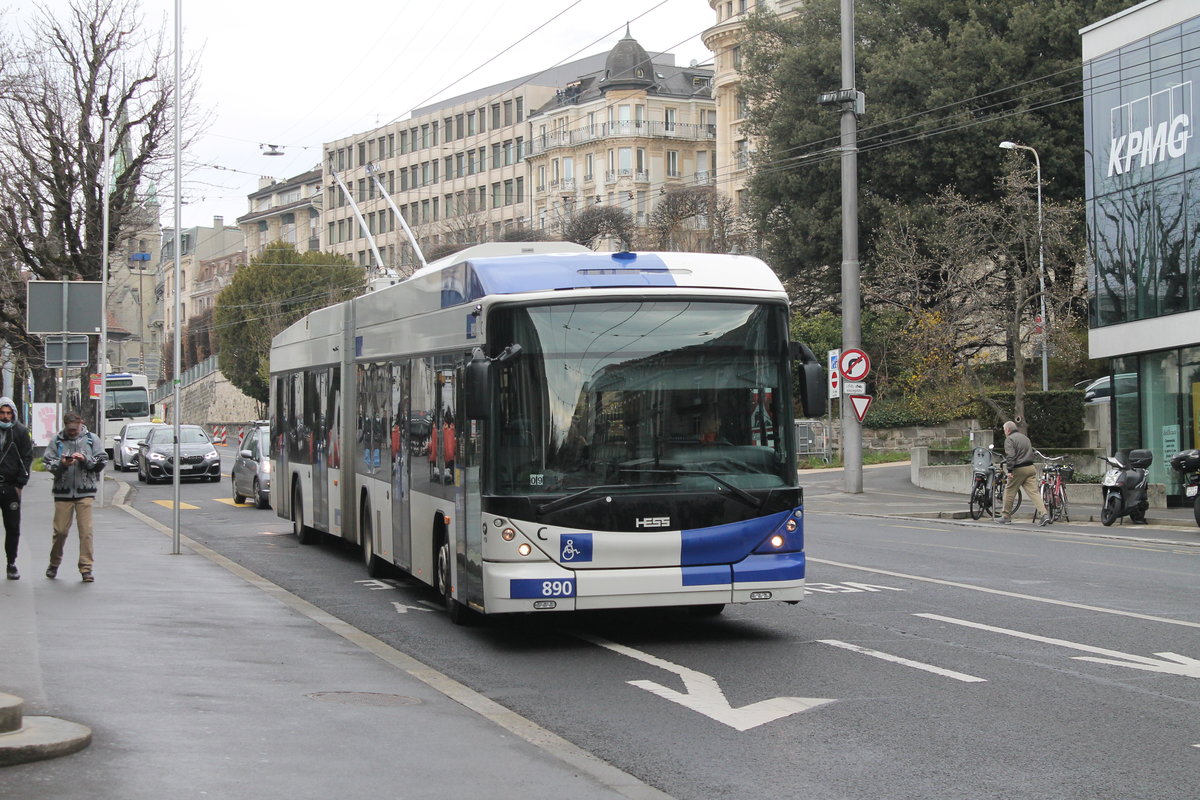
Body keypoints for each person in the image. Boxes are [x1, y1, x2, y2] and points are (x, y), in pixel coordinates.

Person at [43, 411, 108, 582]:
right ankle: (54, 563)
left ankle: (86, 568)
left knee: (86, 531)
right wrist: (61, 464)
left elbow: (101, 461)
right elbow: (48, 463)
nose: (73, 432)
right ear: (65, 426)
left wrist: (85, 459)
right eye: (70, 429)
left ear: (81, 424)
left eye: (75, 429)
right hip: (62, 492)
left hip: (85, 491)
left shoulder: (91, 439)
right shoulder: (57, 440)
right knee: (60, 531)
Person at [0, 397, 34, 579]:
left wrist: (20, 483)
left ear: (13, 413)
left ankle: (11, 562)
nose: (5, 417)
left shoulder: (20, 431)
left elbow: (26, 457)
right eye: (2, 413)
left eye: (8, 413)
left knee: (12, 527)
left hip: (11, 486)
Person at [998, 420, 1049, 526]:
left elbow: (1011, 456)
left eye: (1004, 430)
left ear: (1007, 430)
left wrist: (1010, 470)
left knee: (1009, 491)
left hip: (1018, 468)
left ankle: (1006, 516)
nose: (1004, 432)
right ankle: (1044, 514)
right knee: (1034, 493)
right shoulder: (1025, 438)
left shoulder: (1009, 439)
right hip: (1030, 467)